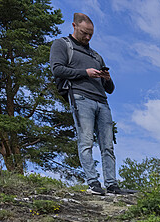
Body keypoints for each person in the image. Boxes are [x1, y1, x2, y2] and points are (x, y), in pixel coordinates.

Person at [49, 13, 135, 195]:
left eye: (90, 34)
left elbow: (110, 89)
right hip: (80, 97)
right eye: (84, 33)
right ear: (74, 26)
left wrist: (107, 78)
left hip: (102, 102)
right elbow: (57, 69)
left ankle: (112, 185)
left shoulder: (96, 55)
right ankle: (93, 183)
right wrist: (85, 72)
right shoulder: (62, 44)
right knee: (86, 141)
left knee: (108, 145)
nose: (87, 37)